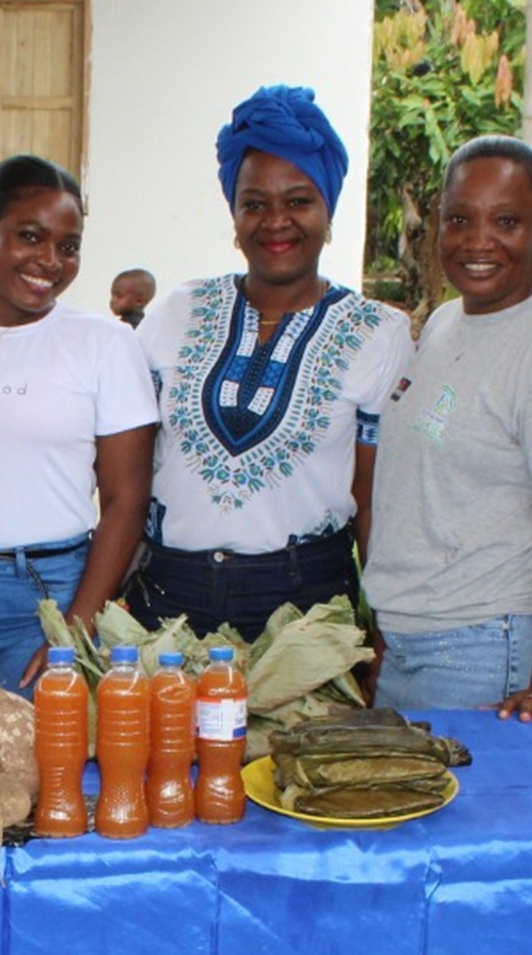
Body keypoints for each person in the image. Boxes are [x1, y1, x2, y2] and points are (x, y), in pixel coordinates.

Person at [128, 84, 412, 642]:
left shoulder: (379, 334)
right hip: (167, 597)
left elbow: (374, 501)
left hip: (304, 605)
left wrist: (381, 631)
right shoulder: (177, 313)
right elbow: (126, 477)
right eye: (254, 204)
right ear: (234, 217)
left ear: (328, 210)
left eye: (298, 201)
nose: (275, 221)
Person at [363, 137, 532, 717]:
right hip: (413, 644)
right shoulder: (447, 321)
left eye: (506, 221)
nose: (479, 241)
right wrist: (388, 635)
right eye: (460, 219)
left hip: (483, 651)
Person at [0, 155, 157, 692]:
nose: (51, 261)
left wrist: (75, 627)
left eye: (68, 247)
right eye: (31, 236)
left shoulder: (105, 344)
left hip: (47, 600)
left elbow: (126, 501)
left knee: (40, 748)